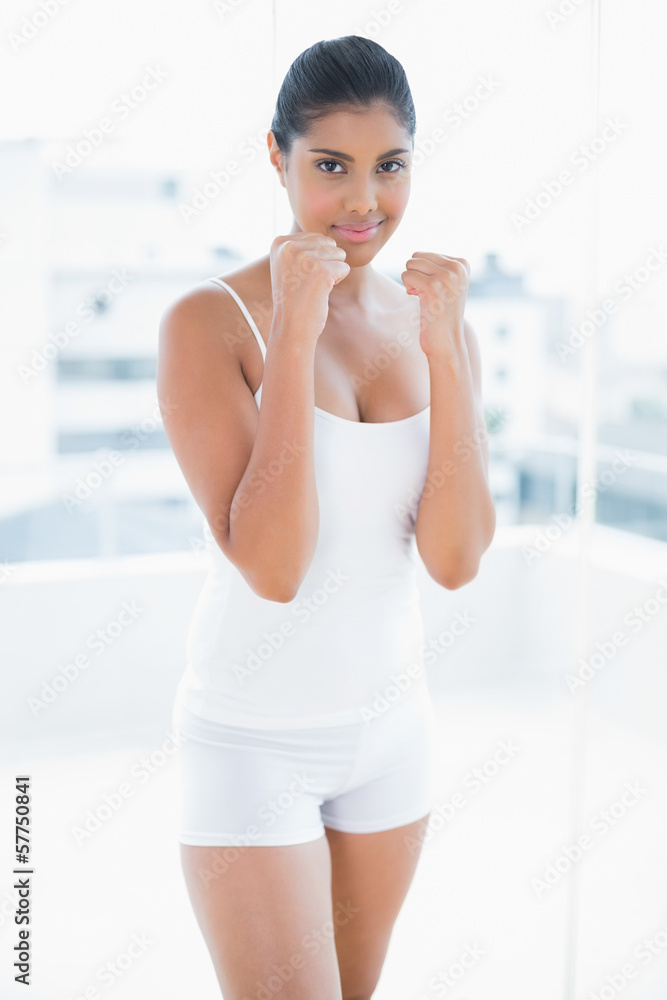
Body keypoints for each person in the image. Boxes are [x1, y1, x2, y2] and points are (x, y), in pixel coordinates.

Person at [157, 33, 495, 1000]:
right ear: (277, 158)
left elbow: (457, 558)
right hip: (251, 741)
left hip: (393, 731)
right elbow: (272, 565)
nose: (363, 203)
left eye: (389, 168)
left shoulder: (436, 323)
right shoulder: (208, 323)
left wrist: (442, 353)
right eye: (331, 167)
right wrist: (296, 334)